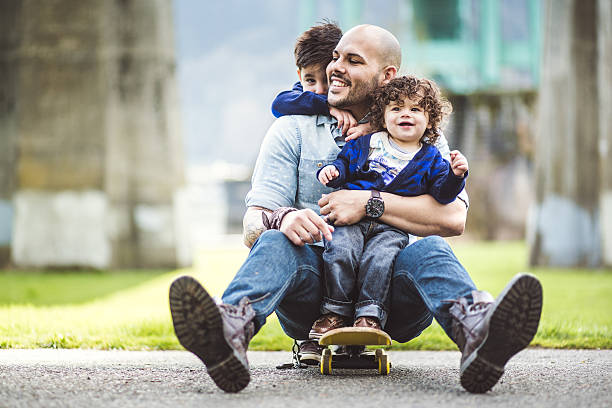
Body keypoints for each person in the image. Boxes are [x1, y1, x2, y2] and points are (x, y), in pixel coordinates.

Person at [168, 24, 542, 395]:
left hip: (393, 293)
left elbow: (453, 218)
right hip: (313, 297)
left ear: (387, 75)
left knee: (432, 249)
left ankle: (480, 335)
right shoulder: (291, 130)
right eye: (335, 58)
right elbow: (253, 222)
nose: (335, 68)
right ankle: (227, 331)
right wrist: (285, 218)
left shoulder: (421, 134)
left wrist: (368, 203)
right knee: (274, 241)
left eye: (352, 60)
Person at [309, 75, 468, 340]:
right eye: (396, 108)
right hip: (351, 221)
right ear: (382, 116)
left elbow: (442, 194)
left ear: (430, 120)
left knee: (380, 260)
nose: (406, 114)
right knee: (340, 251)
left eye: (415, 109)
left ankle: (369, 316)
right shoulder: (367, 143)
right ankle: (334, 312)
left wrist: (455, 175)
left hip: (392, 227)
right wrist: (333, 171)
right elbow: (345, 163)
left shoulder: (430, 157)